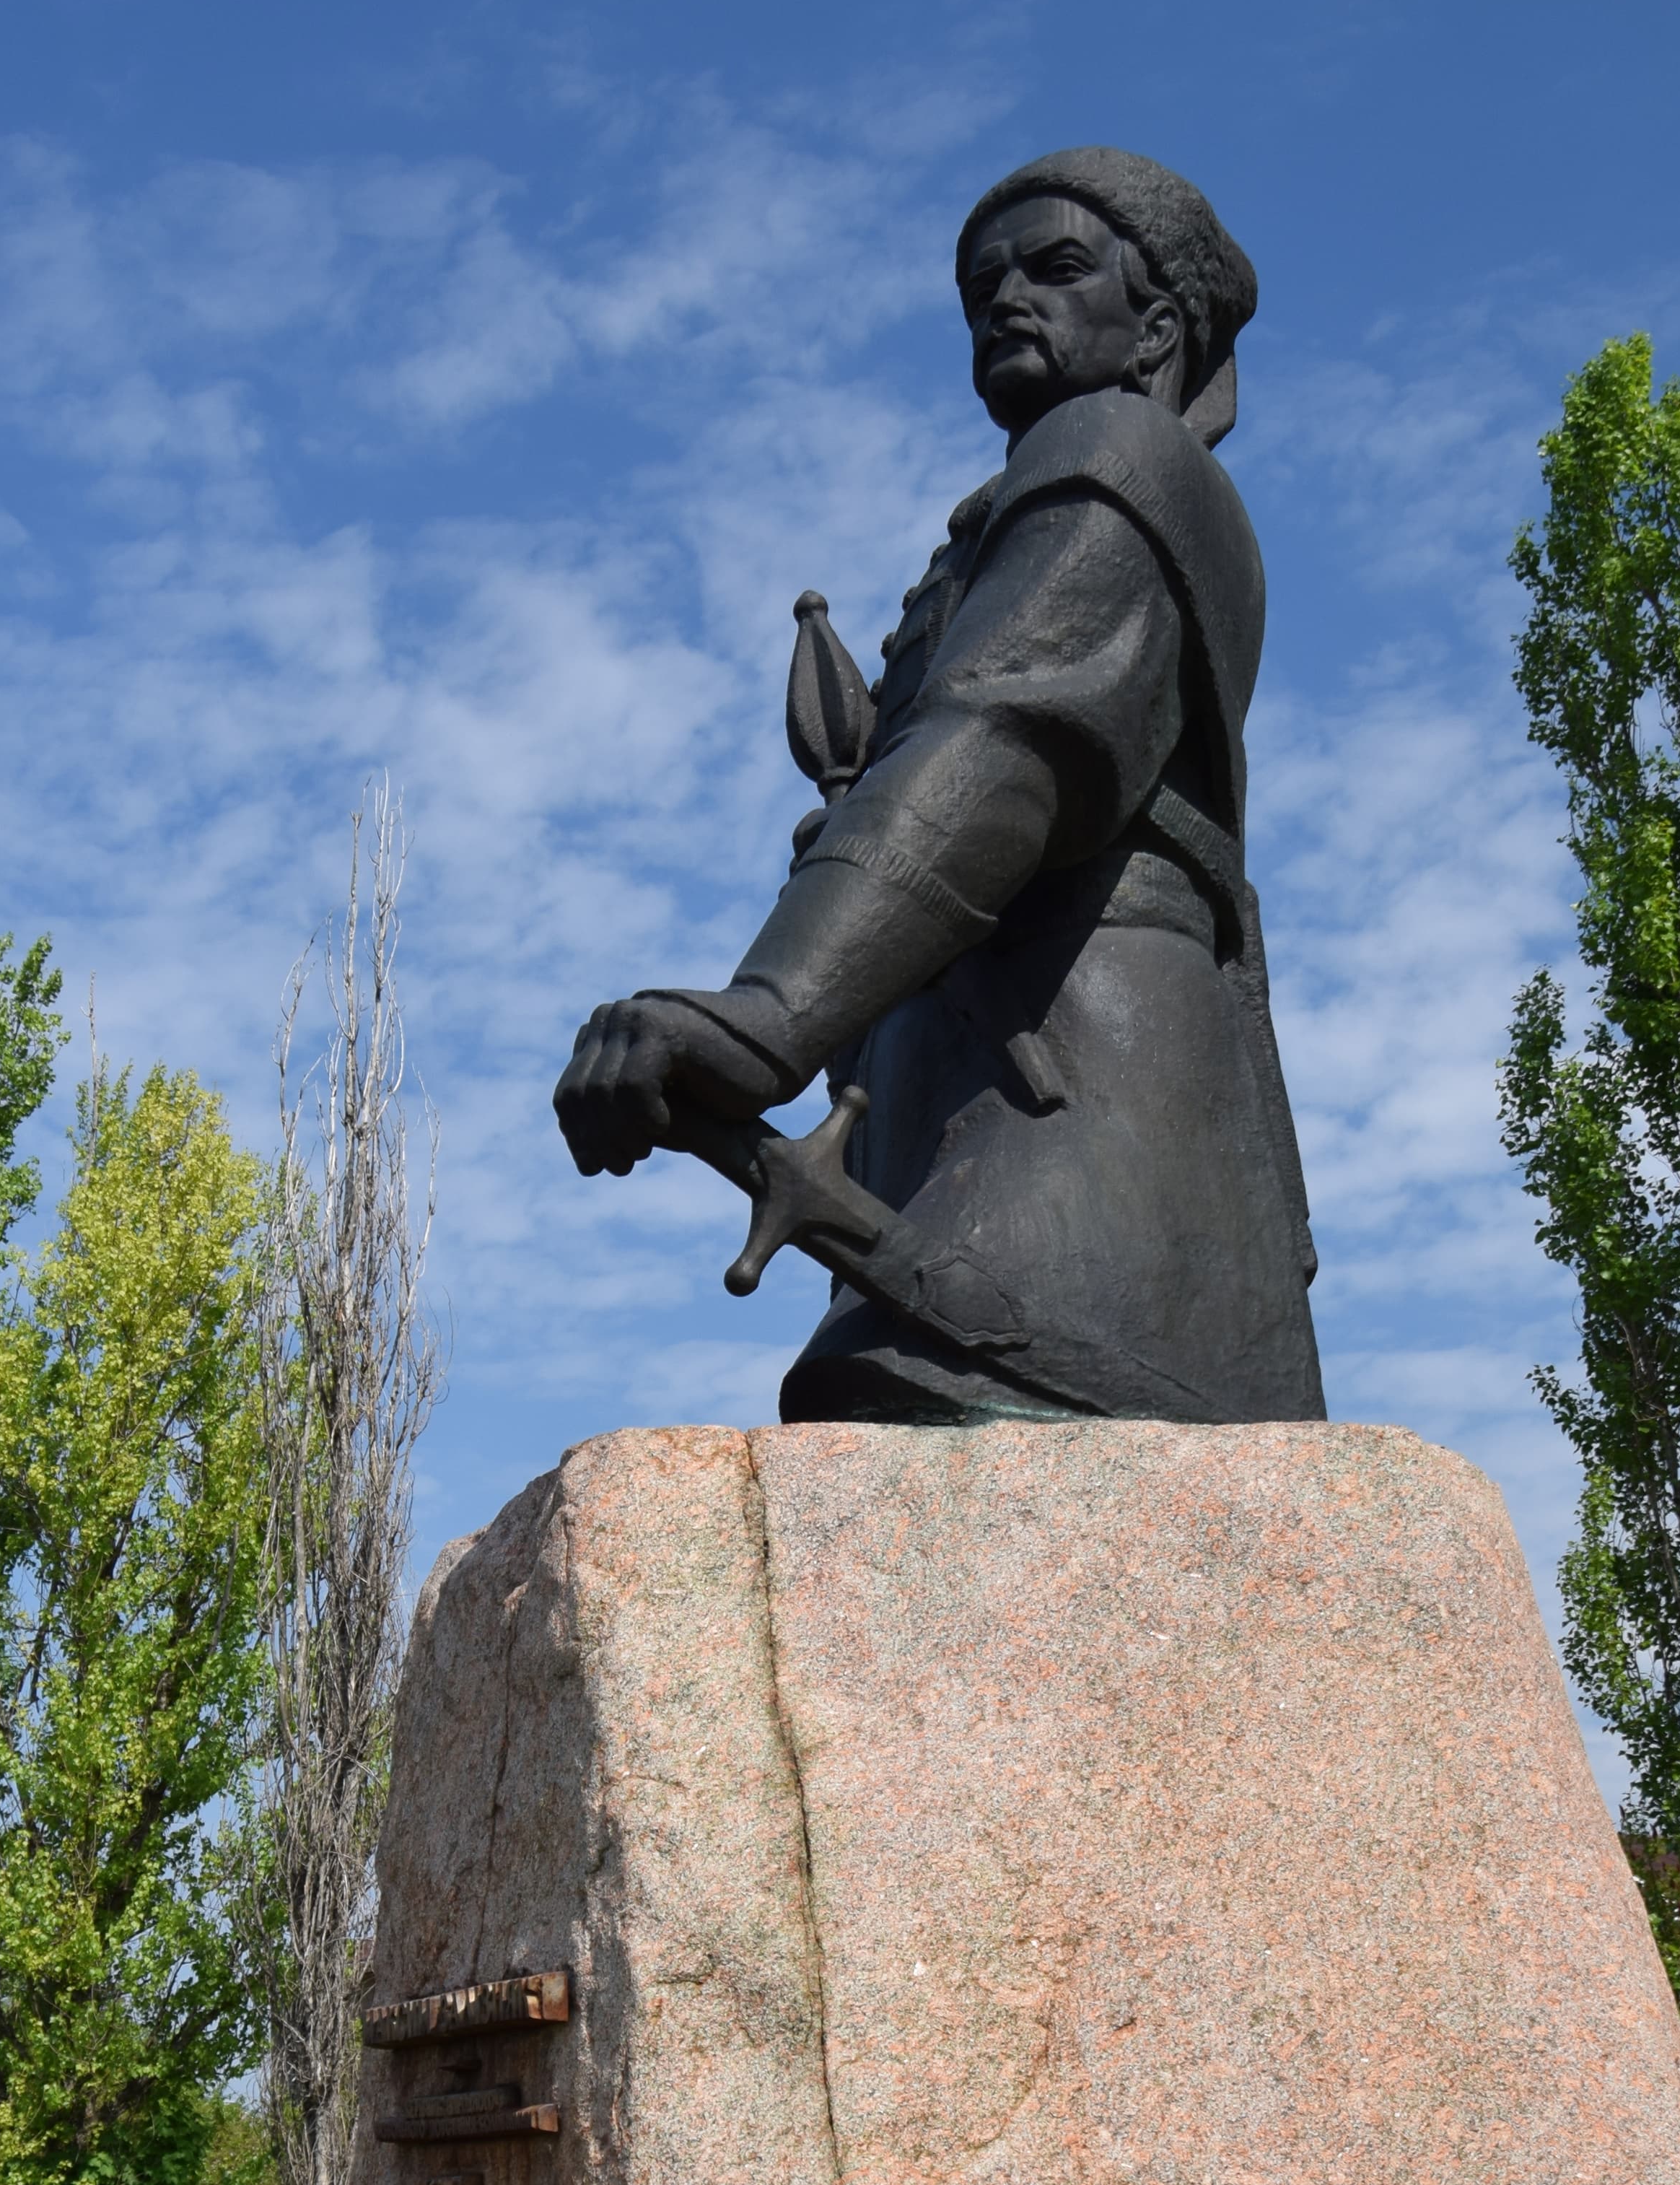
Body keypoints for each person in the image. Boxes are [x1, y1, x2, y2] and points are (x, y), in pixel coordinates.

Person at [553, 147, 1324, 1425]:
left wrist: (767, 1018)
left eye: (1056, 267)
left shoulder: (1119, 451)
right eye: (983, 288)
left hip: (1078, 1125)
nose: (1006, 301)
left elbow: (1005, 746)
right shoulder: (1011, 510)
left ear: (1160, 329)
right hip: (966, 1117)